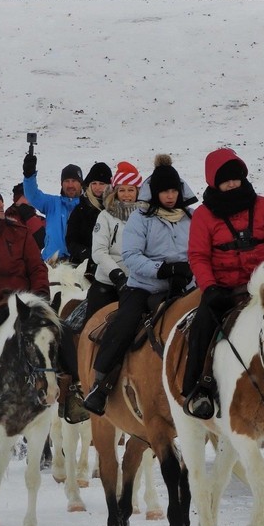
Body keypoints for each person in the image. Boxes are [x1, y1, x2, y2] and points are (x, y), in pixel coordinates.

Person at [0, 186, 85, 434]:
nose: (1, 204)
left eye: (1, 200)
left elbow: (36, 268)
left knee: (59, 332)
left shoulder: (19, 233)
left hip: (23, 304)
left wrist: (40, 297)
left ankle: (73, 392)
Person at [181, 148, 264, 419]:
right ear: (214, 182)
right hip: (224, 289)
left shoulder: (261, 205)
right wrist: (209, 287)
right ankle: (201, 387)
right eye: (225, 179)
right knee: (202, 328)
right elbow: (198, 255)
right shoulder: (204, 215)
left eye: (236, 178)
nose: (232, 184)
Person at [82, 155, 197, 416]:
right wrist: (163, 270)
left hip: (186, 286)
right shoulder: (140, 219)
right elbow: (132, 257)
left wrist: (190, 273)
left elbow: (199, 252)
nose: (169, 196)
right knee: (124, 324)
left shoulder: (192, 218)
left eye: (173, 190)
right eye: (164, 191)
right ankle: (101, 385)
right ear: (154, 192)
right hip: (144, 287)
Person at [82, 161, 143, 324]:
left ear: (138, 191)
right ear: (115, 192)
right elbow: (99, 251)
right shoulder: (105, 216)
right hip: (108, 282)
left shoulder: (146, 217)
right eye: (121, 190)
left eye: (131, 190)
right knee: (91, 328)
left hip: (136, 283)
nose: (126, 195)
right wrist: (117, 275)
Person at [20, 147, 83, 261]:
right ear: (61, 184)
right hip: (51, 262)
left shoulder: (86, 206)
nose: (70, 185)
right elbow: (32, 195)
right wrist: (29, 176)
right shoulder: (52, 203)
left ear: (81, 184)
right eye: (66, 181)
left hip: (78, 263)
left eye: (74, 181)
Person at [65, 161, 112, 276]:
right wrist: (84, 252)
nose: (97, 187)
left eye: (101, 183)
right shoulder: (81, 209)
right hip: (83, 266)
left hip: (111, 263)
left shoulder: (115, 208)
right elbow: (70, 240)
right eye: (94, 183)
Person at [6, 183, 46, 250]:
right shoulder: (5, 219)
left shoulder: (41, 220)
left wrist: (30, 217)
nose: (30, 199)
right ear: (16, 200)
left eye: (32, 196)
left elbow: (41, 241)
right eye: (26, 196)